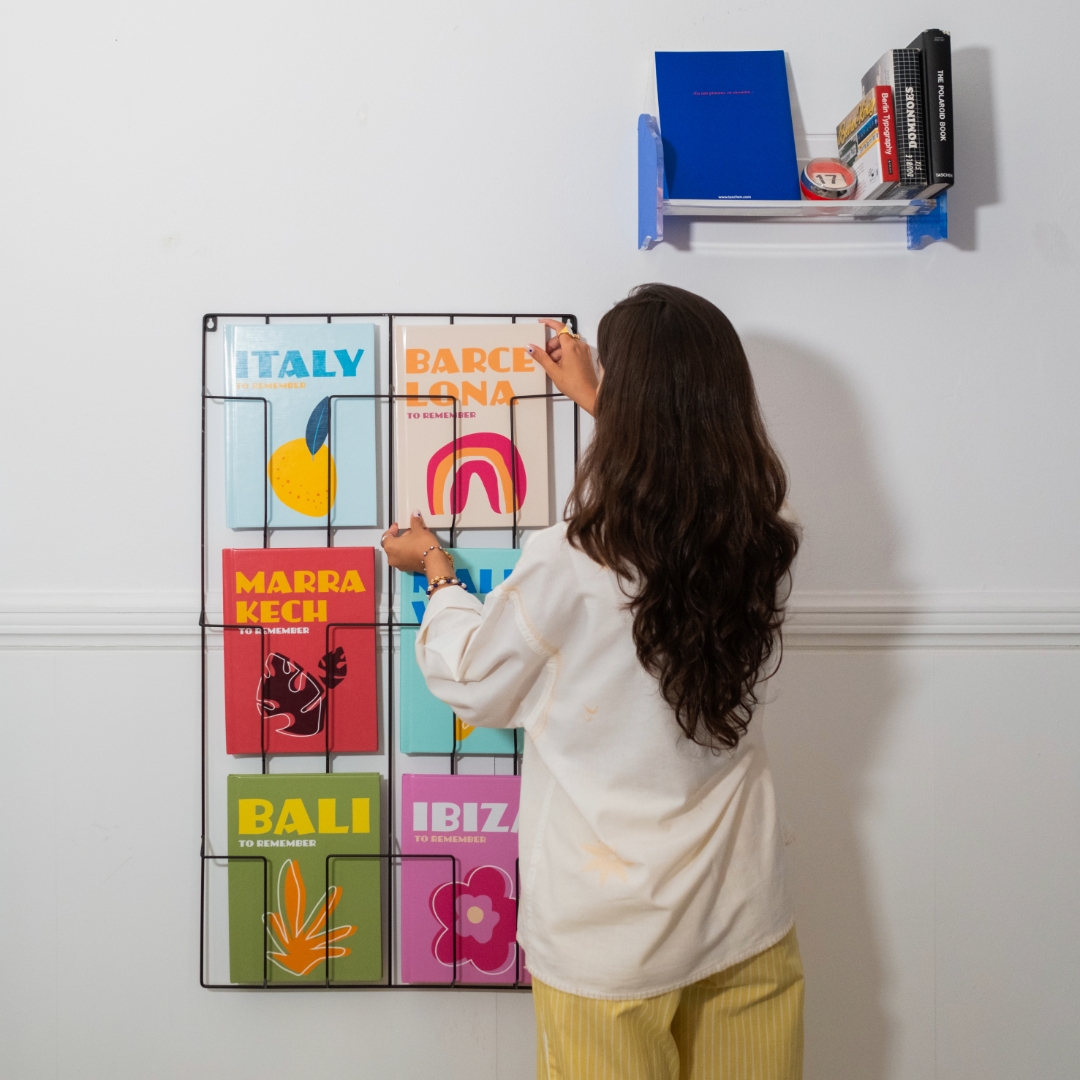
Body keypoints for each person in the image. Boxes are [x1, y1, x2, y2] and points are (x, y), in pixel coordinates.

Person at [382, 283, 803, 1080]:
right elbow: (675, 506)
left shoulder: (570, 561)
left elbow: (473, 680)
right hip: (743, 915)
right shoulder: (757, 540)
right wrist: (605, 403)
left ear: (634, 401)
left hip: (610, 942)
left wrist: (436, 570)